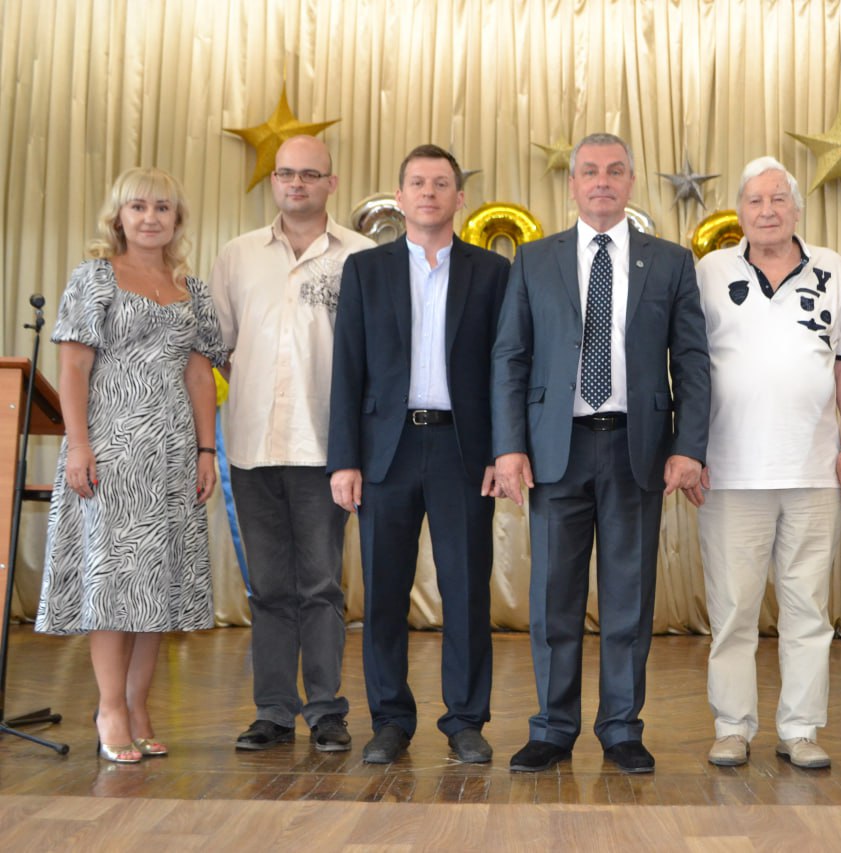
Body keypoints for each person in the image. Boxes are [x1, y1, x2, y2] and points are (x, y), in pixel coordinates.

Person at [491, 132, 710, 774]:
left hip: (635, 451)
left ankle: (621, 728)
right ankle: (553, 728)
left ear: (631, 182)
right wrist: (508, 447)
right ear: (573, 184)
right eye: (589, 171)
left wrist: (689, 447)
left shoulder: (670, 263)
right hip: (554, 452)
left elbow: (692, 361)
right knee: (553, 600)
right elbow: (510, 357)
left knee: (628, 601)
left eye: (615, 171)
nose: (602, 182)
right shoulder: (535, 260)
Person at [35, 167, 225, 763]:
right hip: (111, 449)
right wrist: (79, 445)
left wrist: (207, 450)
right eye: (138, 206)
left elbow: (200, 375)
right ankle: (110, 709)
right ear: (118, 216)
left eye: (162, 207)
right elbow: (73, 368)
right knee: (115, 582)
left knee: (156, 585)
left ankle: (139, 708)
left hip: (172, 452)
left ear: (177, 219)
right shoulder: (94, 277)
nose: (150, 217)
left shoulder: (192, 290)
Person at [328, 144, 510, 764]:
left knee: (467, 591)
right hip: (387, 452)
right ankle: (390, 720)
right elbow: (347, 369)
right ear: (400, 197)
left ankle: (466, 720)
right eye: (417, 183)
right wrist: (344, 460)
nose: (428, 193)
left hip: (465, 450)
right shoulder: (365, 270)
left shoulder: (493, 273)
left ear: (460, 197)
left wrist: (503, 450)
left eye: (440, 183)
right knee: (383, 592)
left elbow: (504, 369)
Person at [692, 157, 841, 770]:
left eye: (778, 199)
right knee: (733, 611)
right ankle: (732, 726)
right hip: (729, 472)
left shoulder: (832, 267)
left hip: (814, 471)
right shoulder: (710, 271)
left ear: (796, 208)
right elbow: (688, 365)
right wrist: (689, 450)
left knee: (808, 609)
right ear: (739, 212)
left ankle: (801, 729)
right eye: (755, 200)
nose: (767, 210)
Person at [210, 135, 374, 753]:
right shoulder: (238, 255)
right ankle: (274, 711)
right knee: (269, 588)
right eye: (286, 174)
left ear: (332, 183)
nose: (296, 184)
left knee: (322, 586)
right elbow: (219, 346)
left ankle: (326, 711)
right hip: (251, 447)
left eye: (309, 174)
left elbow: (372, 358)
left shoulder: (361, 256)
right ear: (273, 181)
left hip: (326, 450)